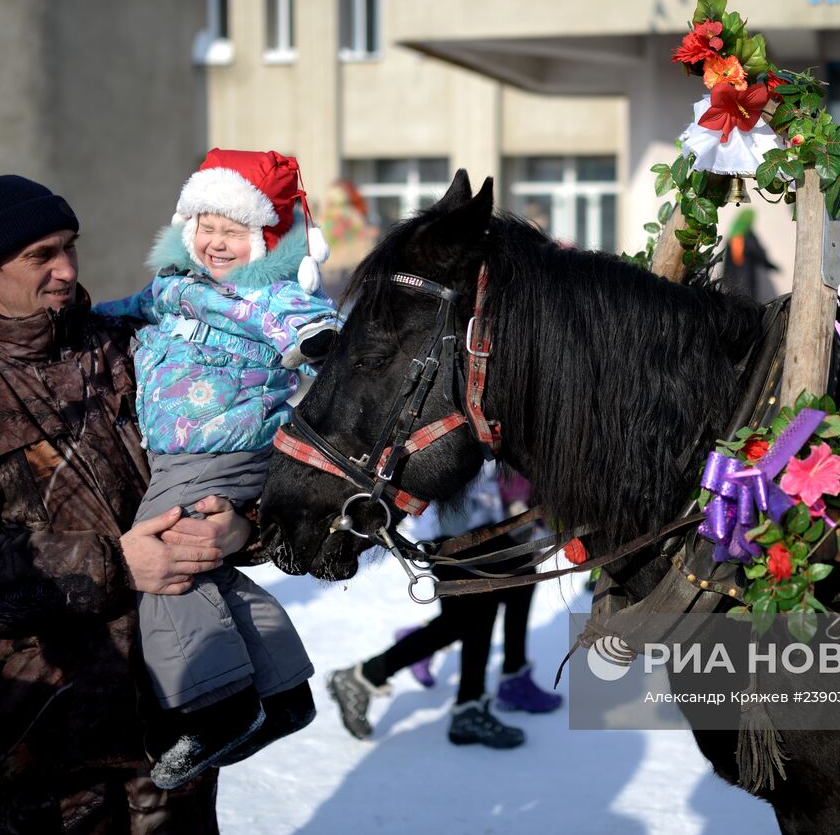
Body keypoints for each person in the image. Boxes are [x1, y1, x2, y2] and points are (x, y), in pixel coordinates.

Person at [0, 175, 251, 832]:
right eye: (41, 255)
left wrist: (244, 524)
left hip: (173, 714)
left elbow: (217, 449)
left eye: (69, 246)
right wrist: (116, 563)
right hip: (49, 740)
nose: (67, 270)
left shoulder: (123, 347)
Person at [95, 149, 341, 789]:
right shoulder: (176, 288)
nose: (216, 242)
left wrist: (315, 340)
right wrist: (85, 321)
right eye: (206, 226)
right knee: (209, 571)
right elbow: (127, 309)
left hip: (222, 447)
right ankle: (282, 690)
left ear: (268, 239)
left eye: (234, 230)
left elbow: (306, 320)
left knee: (162, 562)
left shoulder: (268, 293)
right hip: (188, 452)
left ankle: (216, 708)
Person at [328, 464, 562, 750]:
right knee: (470, 617)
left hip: (488, 524)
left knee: (519, 582)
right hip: (456, 530)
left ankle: (508, 681)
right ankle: (367, 676)